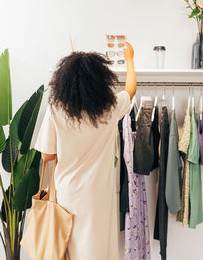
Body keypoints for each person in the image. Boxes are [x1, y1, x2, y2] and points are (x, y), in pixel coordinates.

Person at [34, 43, 136, 260]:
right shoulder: (110, 108)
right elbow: (130, 90)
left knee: (68, 246)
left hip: (68, 191)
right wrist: (130, 60)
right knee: (97, 246)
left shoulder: (56, 109)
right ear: (100, 80)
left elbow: (47, 156)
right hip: (99, 191)